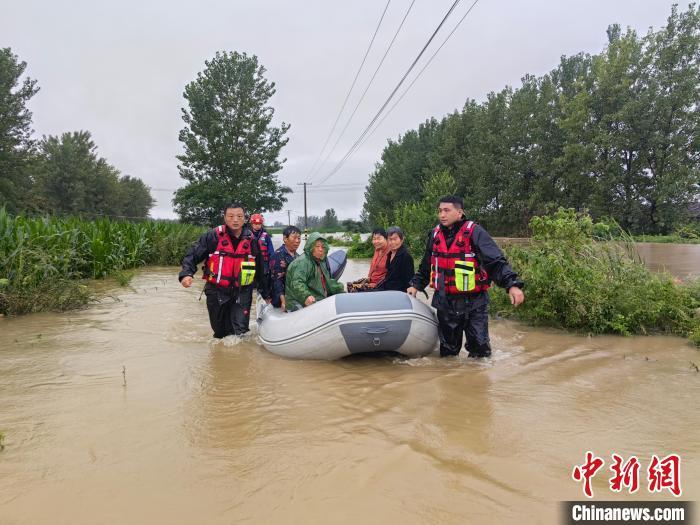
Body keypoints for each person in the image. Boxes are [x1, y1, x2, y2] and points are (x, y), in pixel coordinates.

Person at [407, 195, 525, 358]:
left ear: (460, 212)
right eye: (440, 211)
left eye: (447, 210)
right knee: (448, 353)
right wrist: (416, 285)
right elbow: (427, 265)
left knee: (480, 352)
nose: (442, 215)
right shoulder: (434, 235)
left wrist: (512, 284)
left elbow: (495, 261)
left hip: (474, 303)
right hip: (445, 302)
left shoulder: (475, 232)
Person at [179, 202, 271, 338]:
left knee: (240, 332)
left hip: (242, 291)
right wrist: (186, 274)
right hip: (217, 290)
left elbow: (260, 268)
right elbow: (193, 254)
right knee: (220, 333)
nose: (235, 220)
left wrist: (267, 294)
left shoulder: (251, 240)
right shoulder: (213, 236)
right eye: (231, 216)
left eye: (239, 216)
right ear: (224, 217)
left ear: (245, 218)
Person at [284, 232, 344, 311]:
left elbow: (326, 282)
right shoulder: (302, 262)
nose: (320, 249)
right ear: (311, 247)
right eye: (317, 246)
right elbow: (297, 283)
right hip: (296, 302)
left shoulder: (321, 261)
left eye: (323, 247)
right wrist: (306, 296)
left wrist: (339, 287)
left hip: (317, 298)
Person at [269, 225, 302, 310]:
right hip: (281, 299)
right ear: (285, 238)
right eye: (294, 238)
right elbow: (277, 280)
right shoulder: (278, 255)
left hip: (295, 297)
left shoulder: (298, 256)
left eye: (299, 238)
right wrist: (283, 301)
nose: (297, 241)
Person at [347, 228, 388, 292]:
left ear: (386, 239)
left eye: (379, 238)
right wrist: (368, 278)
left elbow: (390, 275)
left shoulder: (390, 252)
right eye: (374, 239)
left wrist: (375, 284)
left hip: (379, 284)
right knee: (350, 285)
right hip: (371, 280)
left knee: (354, 289)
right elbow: (373, 266)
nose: (376, 241)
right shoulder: (377, 249)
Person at [376, 226, 414, 292]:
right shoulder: (390, 254)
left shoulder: (406, 256)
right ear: (387, 240)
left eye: (395, 239)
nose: (392, 242)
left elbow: (409, 282)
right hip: (387, 289)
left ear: (402, 240)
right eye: (390, 239)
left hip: (398, 293)